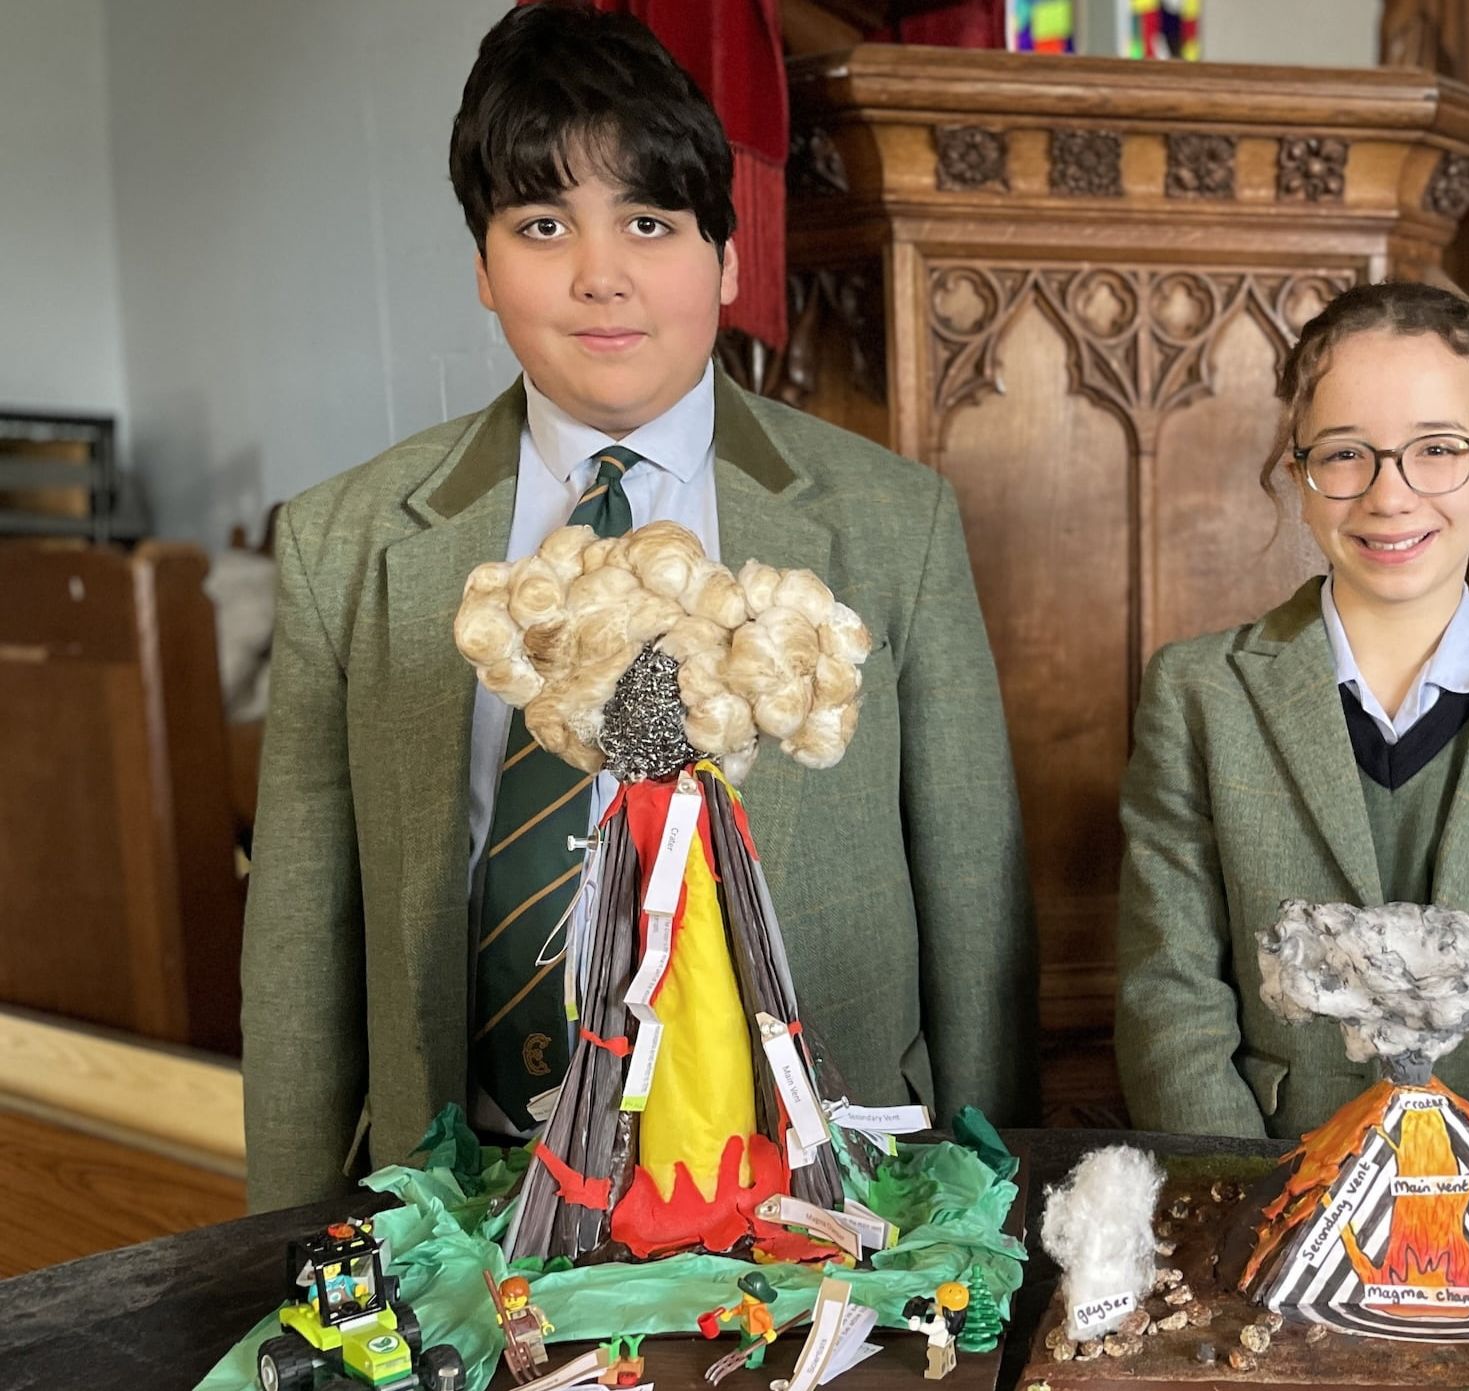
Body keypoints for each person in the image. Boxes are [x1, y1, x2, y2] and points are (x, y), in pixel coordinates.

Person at [239, 0, 1035, 1210]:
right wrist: (289, 1236)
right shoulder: (344, 542)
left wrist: (987, 1200)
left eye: (650, 221)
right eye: (543, 222)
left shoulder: (892, 522)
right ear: (483, 266)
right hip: (474, 1188)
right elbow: (298, 941)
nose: (599, 275)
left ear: (725, 257)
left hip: (819, 1193)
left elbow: (975, 907)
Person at [1115, 280, 1469, 1141]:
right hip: (1263, 1195)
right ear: (1299, 473)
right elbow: (1171, 997)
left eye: (1437, 449)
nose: (1390, 496)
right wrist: (1249, 1201)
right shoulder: (1199, 694)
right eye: (1345, 453)